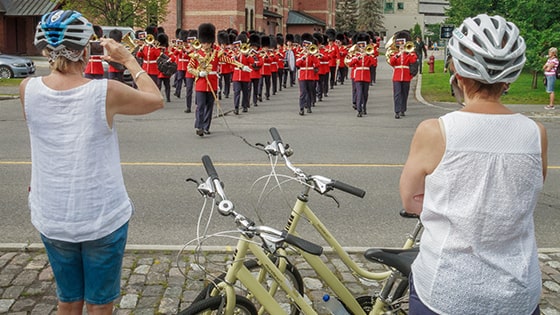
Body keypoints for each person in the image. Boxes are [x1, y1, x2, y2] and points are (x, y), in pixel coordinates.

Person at [399, 14, 548, 315]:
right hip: (517, 289)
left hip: (446, 287)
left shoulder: (435, 131)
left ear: (455, 70)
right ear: (510, 78)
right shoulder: (536, 133)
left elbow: (411, 200)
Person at [20, 9, 163, 315]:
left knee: (67, 300)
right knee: (99, 305)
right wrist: (128, 59)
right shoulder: (104, 91)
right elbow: (155, 99)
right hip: (100, 215)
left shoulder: (26, 90)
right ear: (86, 50)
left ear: (46, 50)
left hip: (52, 214)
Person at [389, 30, 417, 119]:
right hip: (397, 76)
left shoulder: (409, 54)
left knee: (405, 93)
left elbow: (413, 60)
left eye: (402, 44)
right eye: (399, 45)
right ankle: (396, 111)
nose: (401, 46)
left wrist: (409, 52)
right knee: (397, 94)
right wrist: (399, 54)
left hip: (406, 76)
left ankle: (403, 109)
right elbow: (391, 62)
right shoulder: (394, 54)